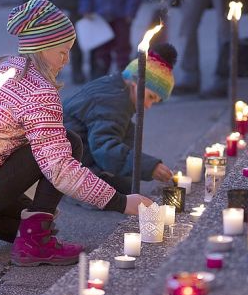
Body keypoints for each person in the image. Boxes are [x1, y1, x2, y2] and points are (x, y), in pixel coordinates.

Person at [0, 0, 151, 266]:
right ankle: (33, 244)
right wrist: (122, 202)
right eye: (62, 51)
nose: (66, 60)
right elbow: (59, 169)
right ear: (40, 48)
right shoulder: (38, 92)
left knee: (28, 223)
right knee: (69, 142)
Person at [62, 44, 176, 194]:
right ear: (135, 84)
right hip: (64, 158)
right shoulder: (114, 102)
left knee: (129, 135)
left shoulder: (117, 87)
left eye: (154, 101)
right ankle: (69, 188)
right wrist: (149, 167)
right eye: (150, 97)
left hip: (76, 147)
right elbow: (105, 148)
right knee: (118, 191)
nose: (148, 106)